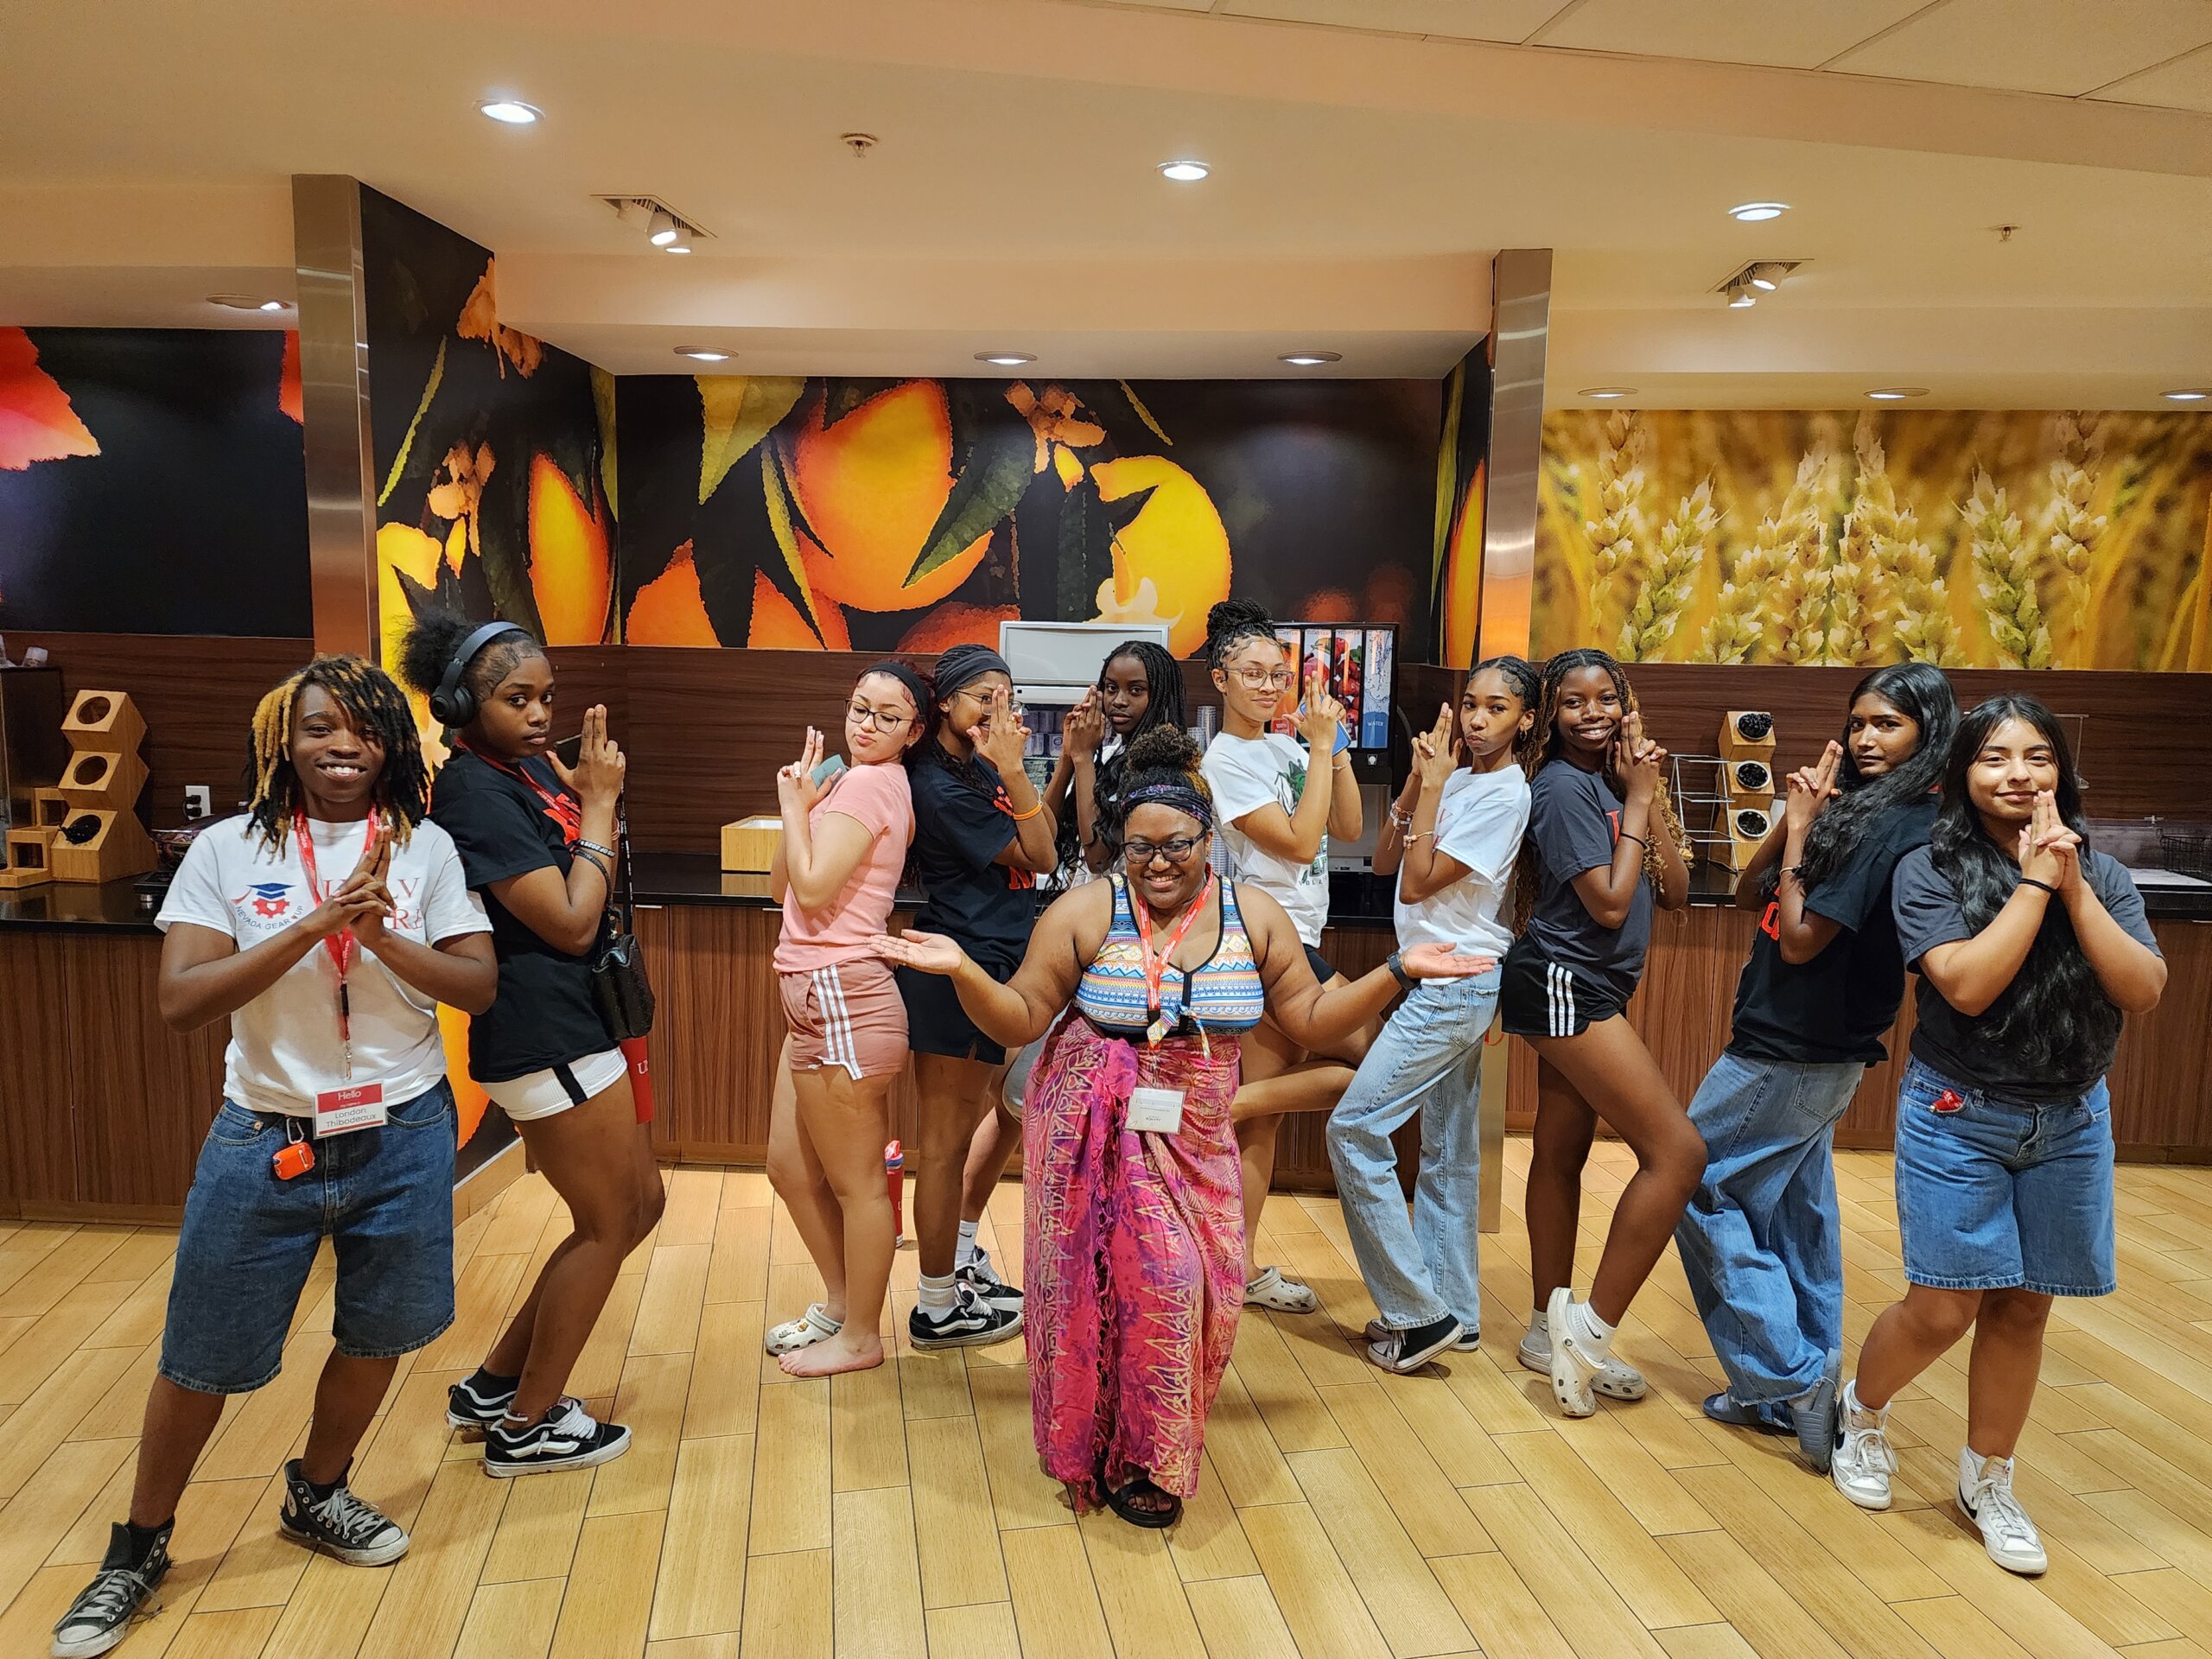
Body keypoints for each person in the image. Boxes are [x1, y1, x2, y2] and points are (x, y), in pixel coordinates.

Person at [872, 728, 1491, 1527]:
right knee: (1136, 1285)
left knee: (1208, 1290)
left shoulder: (1252, 914)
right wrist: (961, 969)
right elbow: (1023, 1015)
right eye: (1140, 848)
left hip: (1199, 1130)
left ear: (1208, 840)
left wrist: (1398, 971)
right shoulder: (1087, 910)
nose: (1158, 863)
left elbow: (1309, 1014)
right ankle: (1139, 1459)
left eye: (1177, 846)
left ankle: (1143, 1432)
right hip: (1090, 1124)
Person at [52, 658, 496, 1659]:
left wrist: (379, 937)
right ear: (281, 743)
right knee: (202, 1356)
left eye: (364, 729)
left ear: (391, 744)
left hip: (403, 1133)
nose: (342, 745)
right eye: (319, 727)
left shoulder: (423, 848)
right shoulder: (226, 849)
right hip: (265, 1139)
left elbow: (475, 987)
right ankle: (138, 1546)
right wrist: (312, 926)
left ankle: (319, 1492)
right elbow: (181, 1001)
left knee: (381, 1334)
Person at [1828, 696, 2164, 1574]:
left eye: (2037, 756)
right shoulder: (1930, 868)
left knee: (2024, 1306)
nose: (2018, 773)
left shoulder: (2103, 874)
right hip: (1958, 1113)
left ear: (2061, 771)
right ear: (1961, 773)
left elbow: (2141, 990)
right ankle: (1861, 1414)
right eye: (1995, 757)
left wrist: (2075, 885)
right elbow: (1967, 986)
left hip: (2073, 1118)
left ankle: (1989, 1479)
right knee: (1945, 1305)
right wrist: (2036, 885)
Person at [398, 611, 663, 1475]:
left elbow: (587, 879)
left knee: (640, 1204)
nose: (540, 714)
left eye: (546, 696)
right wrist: (599, 804)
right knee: (608, 1222)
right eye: (517, 699)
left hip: (580, 1023)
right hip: (544, 1031)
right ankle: (528, 1425)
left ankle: (495, 1387)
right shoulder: (475, 794)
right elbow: (574, 920)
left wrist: (583, 800)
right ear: (460, 705)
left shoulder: (521, 771)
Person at [1675, 663, 1957, 1465]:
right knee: (1797, 1215)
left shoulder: (1895, 823)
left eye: (1888, 724)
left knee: (1690, 1179)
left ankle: (1791, 1377)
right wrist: (1793, 821)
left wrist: (1801, 829)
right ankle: (1788, 1394)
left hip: (1794, 1045)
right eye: (1859, 722)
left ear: (1930, 732)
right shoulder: (1862, 810)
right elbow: (1749, 895)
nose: (1867, 738)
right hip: (1814, 1046)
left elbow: (1800, 941)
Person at [1499, 647, 1698, 1417]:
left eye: (1606, 697)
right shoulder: (1559, 786)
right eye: (1573, 701)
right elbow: (1611, 904)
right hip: (1562, 982)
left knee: (1561, 1150)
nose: (1593, 713)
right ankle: (1585, 1334)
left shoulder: (1616, 781)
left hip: (1594, 984)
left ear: (1626, 703)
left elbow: (1674, 891)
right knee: (1678, 1154)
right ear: (1550, 715)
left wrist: (1645, 793)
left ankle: (1544, 1328)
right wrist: (1638, 802)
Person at [957, 640, 1189, 1289]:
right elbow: (1048, 833)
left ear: (1161, 693)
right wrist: (1069, 759)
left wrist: (1083, 760)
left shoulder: (1161, 767)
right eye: (1110, 687)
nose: (1118, 701)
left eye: (1135, 689)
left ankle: (1100, 1260)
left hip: (1117, 952)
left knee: (1041, 1102)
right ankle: (965, 1244)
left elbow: (1096, 854)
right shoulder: (1109, 752)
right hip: (1069, 937)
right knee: (1018, 1101)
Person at [1329, 658, 1537, 1373]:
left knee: (1354, 1129)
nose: (1477, 719)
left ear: (1525, 721)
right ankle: (1456, 1315)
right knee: (1448, 1153)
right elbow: (1387, 862)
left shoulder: (1505, 794)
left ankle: (1417, 1317)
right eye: (1471, 703)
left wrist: (1439, 785)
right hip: (1444, 982)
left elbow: (1417, 886)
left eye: (1498, 708)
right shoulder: (1461, 779)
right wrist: (1421, 781)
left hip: (1455, 984)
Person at [1199, 599, 1367, 1314]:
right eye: (1253, 673)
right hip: (1268, 939)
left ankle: (1234, 1270)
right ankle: (1226, 1106)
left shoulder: (1293, 750)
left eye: (1279, 675)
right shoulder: (1223, 759)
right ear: (1221, 679)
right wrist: (1321, 750)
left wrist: (1334, 748)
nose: (1269, 686)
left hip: (1302, 935)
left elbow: (1348, 827)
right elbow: (1299, 845)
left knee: (1260, 1123)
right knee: (1375, 1057)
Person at [761, 663, 924, 1375]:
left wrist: (794, 805)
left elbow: (815, 886)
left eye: (889, 717)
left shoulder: (870, 784)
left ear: (913, 731)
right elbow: (782, 884)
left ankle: (861, 1336)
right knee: (788, 1168)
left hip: (841, 996)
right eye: (861, 708)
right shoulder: (848, 781)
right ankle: (840, 1302)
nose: (868, 725)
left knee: (858, 1184)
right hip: (816, 997)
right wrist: (801, 806)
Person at [896, 643, 1058, 1349]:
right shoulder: (939, 785)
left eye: (1006, 696)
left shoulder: (975, 766)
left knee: (982, 1122)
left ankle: (957, 1269)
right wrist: (1017, 771)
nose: (999, 709)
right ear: (946, 703)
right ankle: (936, 1308)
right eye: (984, 697)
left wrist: (1019, 772)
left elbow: (1045, 836)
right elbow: (1040, 855)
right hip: (957, 966)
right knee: (943, 1146)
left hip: (991, 961)